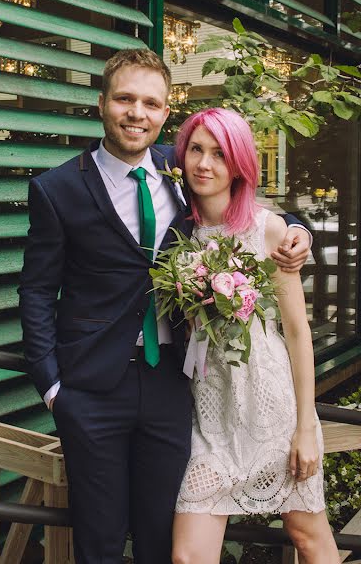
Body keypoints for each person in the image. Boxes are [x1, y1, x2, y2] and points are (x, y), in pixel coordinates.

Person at [18, 50, 312, 564]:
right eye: (125, 99)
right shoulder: (56, 189)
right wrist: (52, 387)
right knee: (100, 540)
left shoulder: (180, 173)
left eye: (151, 103)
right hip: (90, 390)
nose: (137, 112)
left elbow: (241, 201)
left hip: (172, 385)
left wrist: (297, 230)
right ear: (102, 103)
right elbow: (37, 291)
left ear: (164, 112)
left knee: (161, 539)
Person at [172, 108, 340, 564]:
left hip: (274, 411)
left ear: (240, 163)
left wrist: (306, 428)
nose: (204, 164)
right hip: (211, 416)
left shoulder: (268, 229)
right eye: (196, 150)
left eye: (220, 154)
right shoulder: (179, 231)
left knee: (309, 538)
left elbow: (297, 333)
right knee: (188, 555)